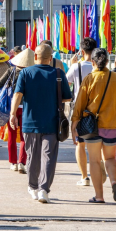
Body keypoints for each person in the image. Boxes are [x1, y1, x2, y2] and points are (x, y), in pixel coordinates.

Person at [9, 44, 72, 203]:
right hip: (52, 123)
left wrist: (12, 114)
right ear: (51, 58)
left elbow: (18, 94)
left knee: (32, 156)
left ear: (35, 57)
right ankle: (44, 189)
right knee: (49, 157)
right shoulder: (58, 74)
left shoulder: (25, 72)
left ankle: (33, 186)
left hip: (30, 122)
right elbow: (67, 98)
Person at [71, 48, 116, 204]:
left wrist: (73, 127)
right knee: (110, 158)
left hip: (91, 127)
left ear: (92, 62)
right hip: (112, 125)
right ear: (108, 61)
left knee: (94, 161)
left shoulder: (89, 79)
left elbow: (79, 105)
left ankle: (99, 196)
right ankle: (114, 182)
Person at [67, 37, 97, 187]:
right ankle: (99, 174)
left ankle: (84, 177)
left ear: (82, 51)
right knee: (96, 144)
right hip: (97, 110)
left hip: (79, 109)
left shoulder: (76, 67)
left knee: (80, 144)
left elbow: (67, 84)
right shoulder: (100, 67)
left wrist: (72, 64)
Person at [0, 48, 33, 172]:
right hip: (27, 109)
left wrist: (9, 88)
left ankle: (13, 162)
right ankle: (22, 162)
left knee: (12, 136)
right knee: (25, 136)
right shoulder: (32, 73)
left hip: (12, 108)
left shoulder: (11, 71)